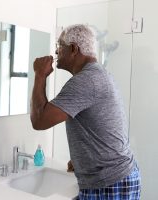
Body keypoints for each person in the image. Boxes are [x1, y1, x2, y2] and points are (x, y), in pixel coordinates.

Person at [30, 24, 141, 199]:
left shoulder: (86, 80)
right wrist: (84, 161)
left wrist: (39, 75)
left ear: (73, 48)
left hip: (109, 181)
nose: (56, 52)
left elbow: (39, 121)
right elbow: (100, 123)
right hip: (115, 176)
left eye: (59, 45)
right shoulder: (96, 75)